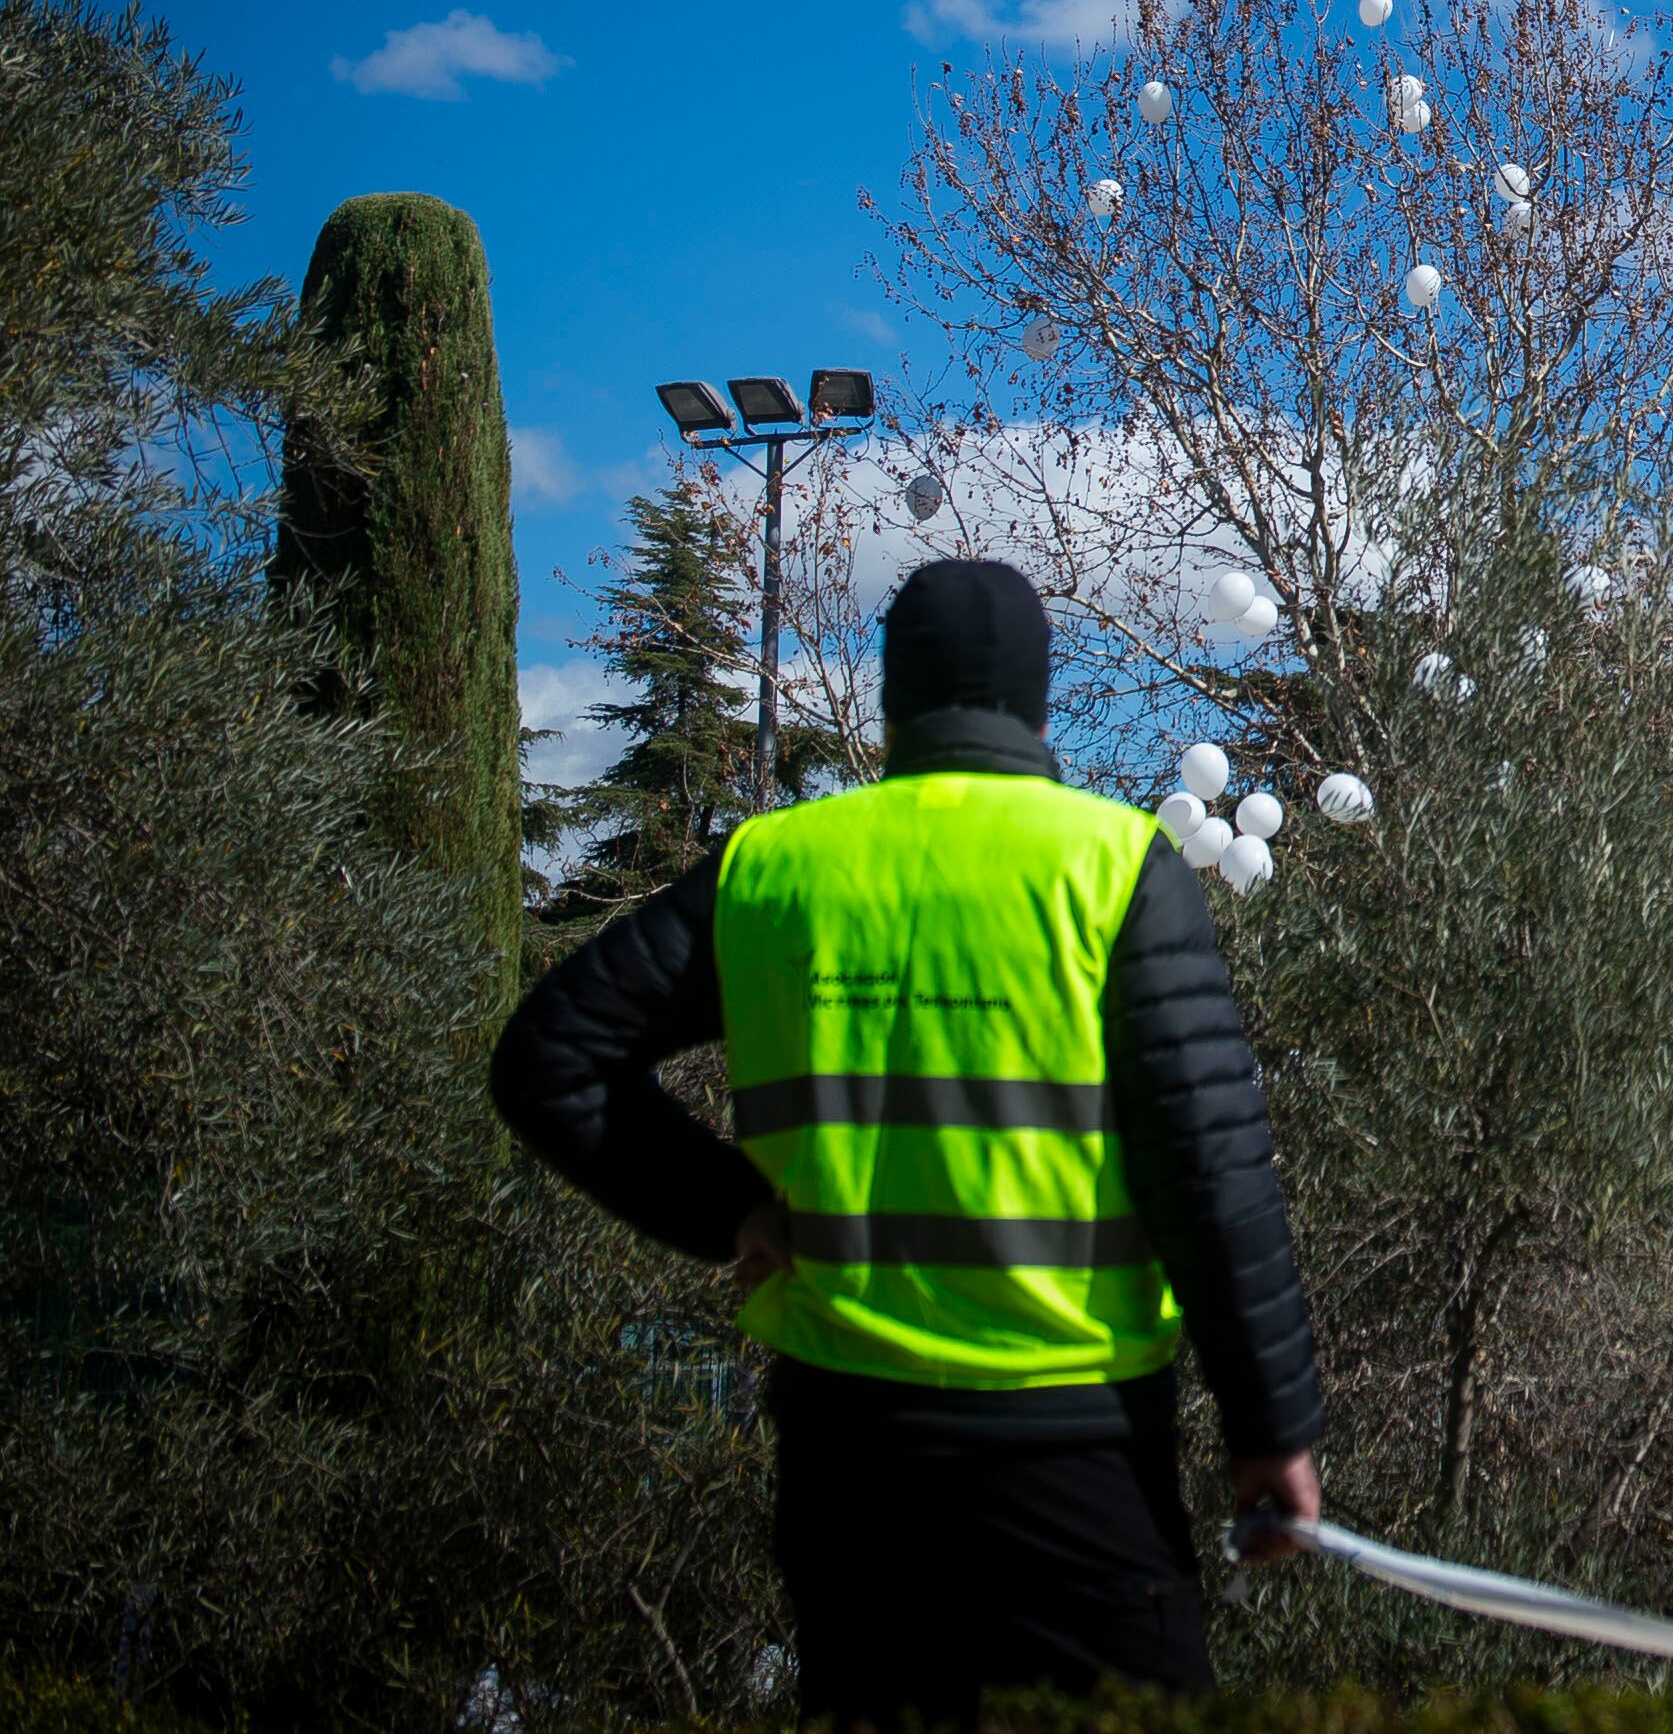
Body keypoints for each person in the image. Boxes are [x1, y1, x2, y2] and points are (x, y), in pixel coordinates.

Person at [493, 557, 1324, 1728]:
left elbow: (550, 1056)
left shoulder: (774, 867)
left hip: (850, 1460)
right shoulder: (1113, 866)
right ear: (1038, 707)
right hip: (1076, 1450)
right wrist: (1272, 1432)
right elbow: (1213, 1172)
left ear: (892, 705)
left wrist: (724, 1209)